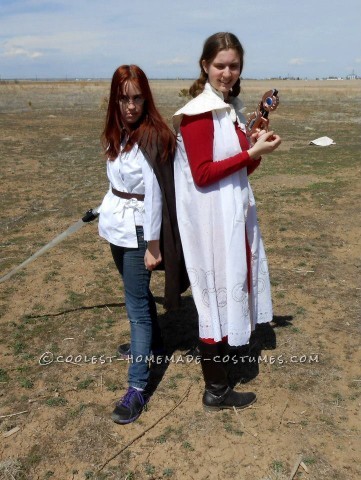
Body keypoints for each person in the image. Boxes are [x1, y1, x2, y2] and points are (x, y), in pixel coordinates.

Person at [173, 32, 281, 411]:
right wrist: (250, 150)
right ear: (205, 66)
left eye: (233, 65)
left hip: (231, 213)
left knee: (228, 287)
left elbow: (240, 171)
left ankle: (222, 371)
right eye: (220, 65)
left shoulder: (228, 109)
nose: (227, 72)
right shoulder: (199, 113)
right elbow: (203, 174)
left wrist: (256, 148)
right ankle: (215, 389)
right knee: (213, 298)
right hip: (210, 222)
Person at [98, 65, 188, 424]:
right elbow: (116, 183)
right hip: (116, 226)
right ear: (115, 99)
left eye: (137, 98)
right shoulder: (117, 133)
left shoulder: (152, 136)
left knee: (135, 308)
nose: (131, 105)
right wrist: (104, 215)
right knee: (135, 295)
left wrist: (153, 244)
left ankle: (137, 387)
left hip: (138, 231)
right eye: (124, 98)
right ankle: (155, 345)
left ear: (146, 98)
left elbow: (154, 197)